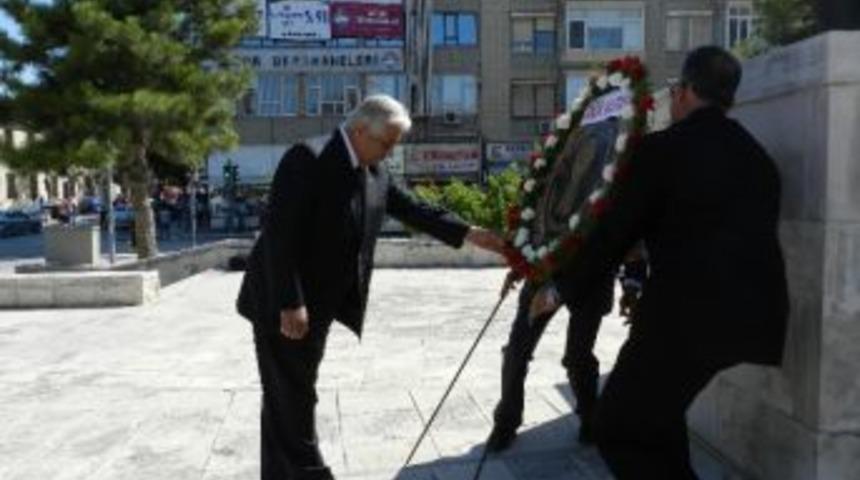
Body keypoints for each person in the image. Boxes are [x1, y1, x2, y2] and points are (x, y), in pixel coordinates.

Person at [529, 46, 789, 478]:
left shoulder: (662, 150)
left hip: (687, 318)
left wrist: (559, 289)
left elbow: (614, 235)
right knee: (658, 416)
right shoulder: (757, 157)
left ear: (685, 91)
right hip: (754, 318)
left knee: (617, 425)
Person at [235, 95, 505, 480]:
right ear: (360, 130)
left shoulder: (374, 171)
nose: (391, 152)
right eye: (387, 143)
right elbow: (279, 235)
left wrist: (472, 233)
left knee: (286, 394)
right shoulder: (308, 158)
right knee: (294, 396)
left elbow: (412, 209)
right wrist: (289, 302)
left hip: (320, 306)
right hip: (283, 304)